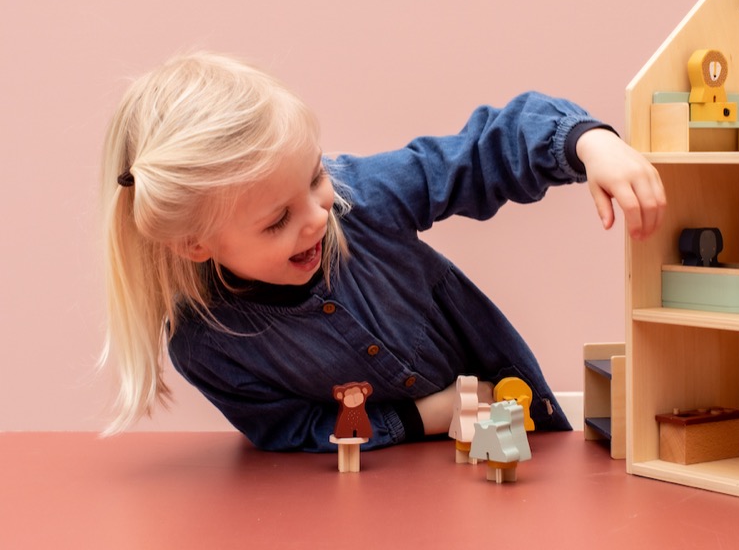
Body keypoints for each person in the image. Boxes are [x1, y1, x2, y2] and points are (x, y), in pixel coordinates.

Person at [100, 51, 665, 451]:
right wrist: (425, 418)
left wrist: (587, 143)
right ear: (195, 243)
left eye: (315, 177)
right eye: (278, 220)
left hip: (520, 449)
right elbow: (289, 432)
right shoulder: (209, 348)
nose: (319, 216)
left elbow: (480, 153)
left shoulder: (360, 198)